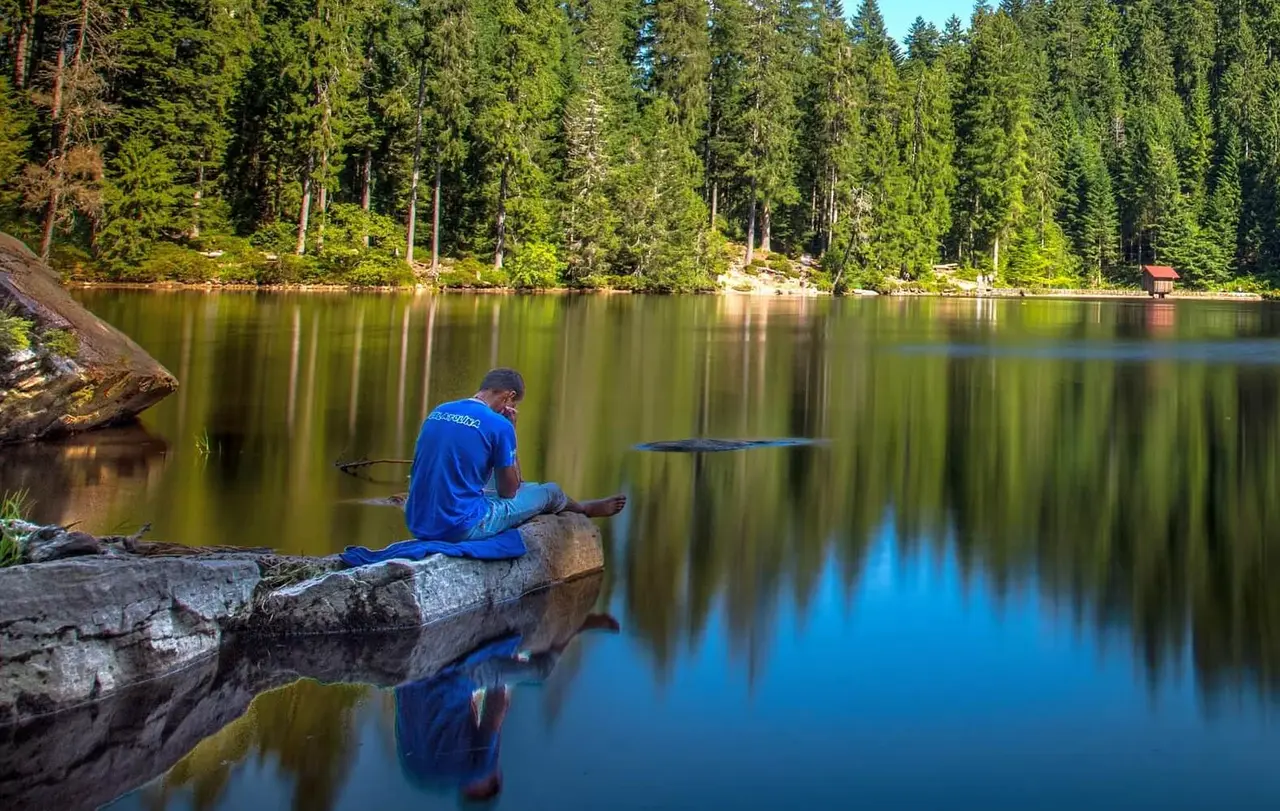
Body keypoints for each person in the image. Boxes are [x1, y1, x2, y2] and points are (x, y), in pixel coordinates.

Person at [394, 613, 622, 802]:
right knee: (505, 663)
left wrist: (508, 673)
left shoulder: (479, 770)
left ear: (485, 786)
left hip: (451, 674)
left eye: (496, 774)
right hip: (407, 674)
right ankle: (557, 627)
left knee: (539, 670)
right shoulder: (417, 773)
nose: (496, 766)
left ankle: (573, 626)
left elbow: (494, 709)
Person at [405, 367, 626, 544]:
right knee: (550, 491)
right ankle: (584, 509)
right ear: (509, 396)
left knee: (498, 475)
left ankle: (564, 502)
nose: (512, 408)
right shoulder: (500, 424)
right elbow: (509, 491)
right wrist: (511, 431)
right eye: (513, 403)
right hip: (459, 526)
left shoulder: (440, 410)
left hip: (418, 522)